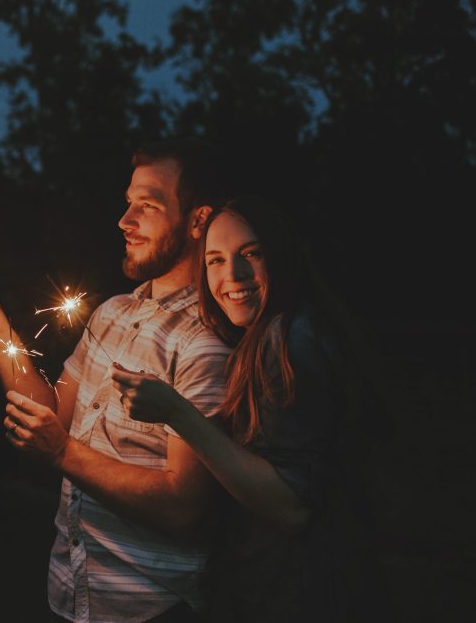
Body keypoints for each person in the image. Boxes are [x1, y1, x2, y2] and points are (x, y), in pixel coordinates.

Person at [0, 138, 233, 623]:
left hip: (152, 609)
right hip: (68, 593)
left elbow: (184, 508)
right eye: (128, 204)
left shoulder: (205, 343)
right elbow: (55, 416)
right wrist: (2, 340)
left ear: (197, 220)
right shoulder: (112, 314)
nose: (125, 221)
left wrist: (62, 453)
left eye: (147, 206)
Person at [108, 194, 389, 622]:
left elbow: (290, 507)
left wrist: (177, 413)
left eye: (250, 254)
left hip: (303, 596)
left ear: (282, 255)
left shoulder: (285, 340)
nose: (232, 275)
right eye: (215, 261)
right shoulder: (286, 329)